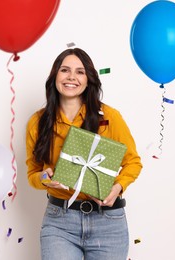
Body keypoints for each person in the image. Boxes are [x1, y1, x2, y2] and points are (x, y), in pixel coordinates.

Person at [25, 48, 142, 260]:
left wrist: (117, 187)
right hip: (59, 223)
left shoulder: (109, 117)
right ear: (54, 76)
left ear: (89, 79)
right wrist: (45, 179)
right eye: (65, 70)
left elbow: (133, 162)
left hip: (108, 223)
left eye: (80, 72)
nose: (71, 77)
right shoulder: (37, 122)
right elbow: (33, 173)